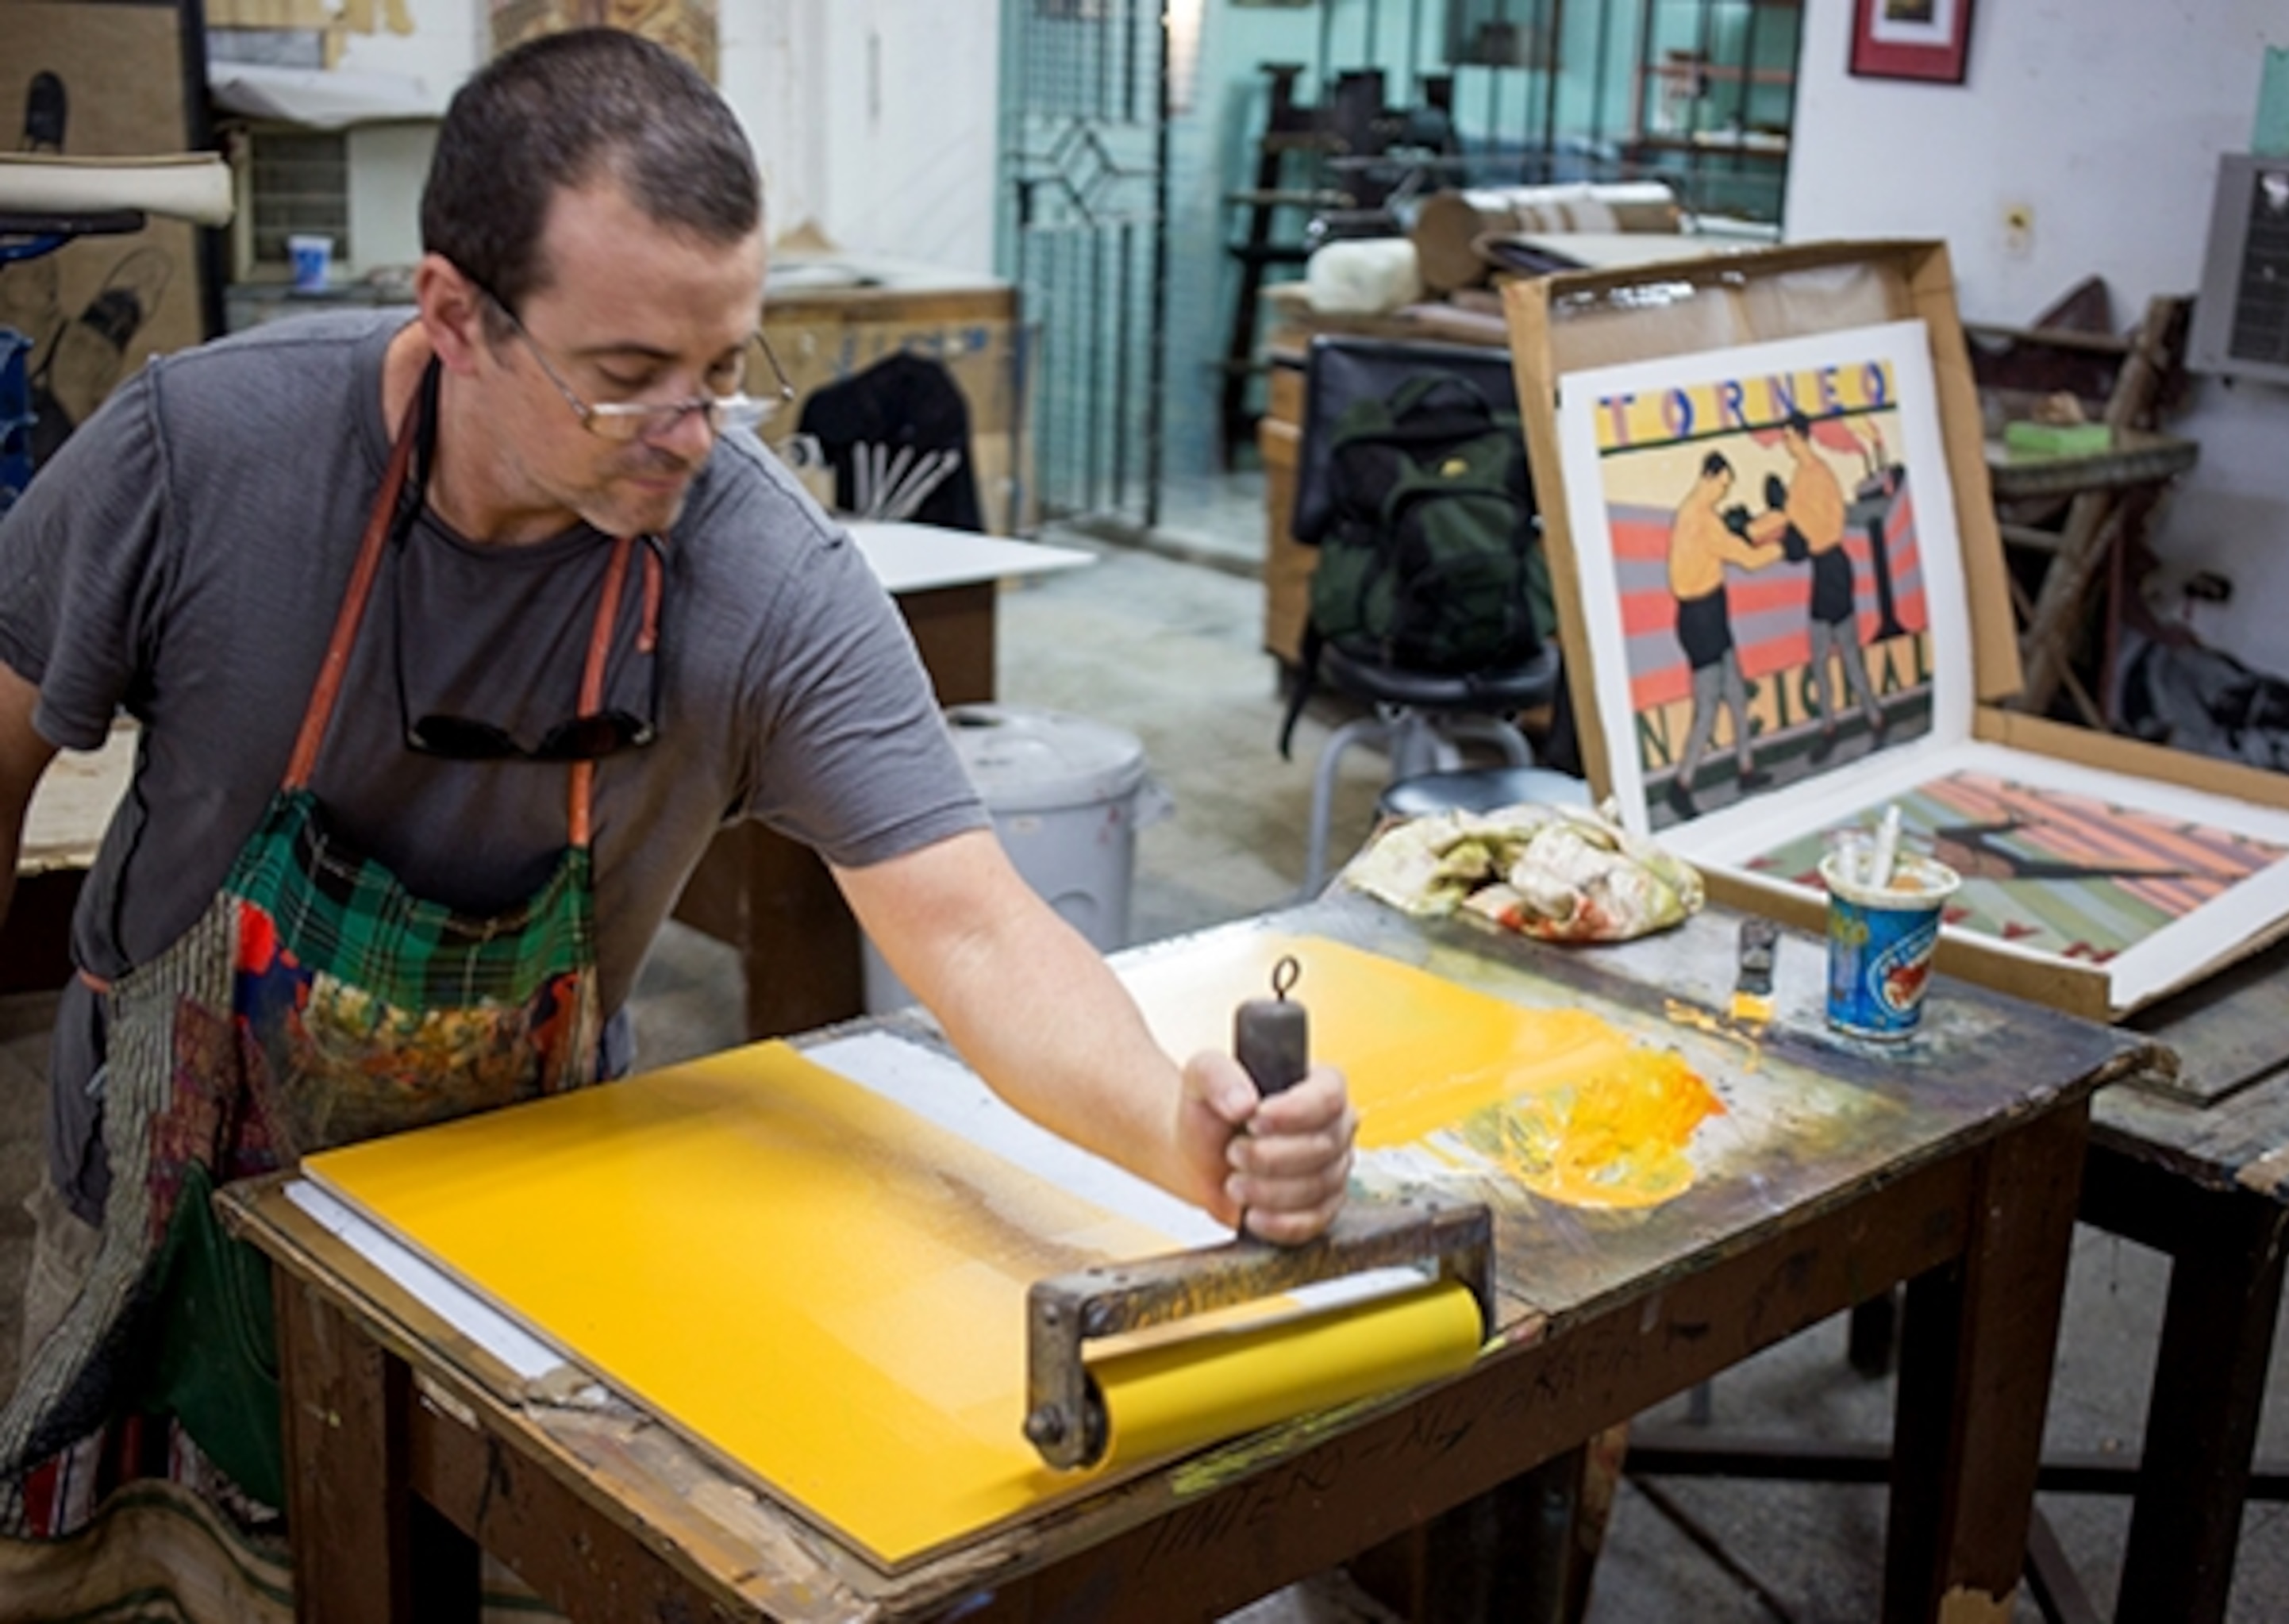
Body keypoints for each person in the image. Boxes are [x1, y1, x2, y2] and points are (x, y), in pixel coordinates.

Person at [0, 28, 1353, 1607]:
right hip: (161, 1209)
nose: (691, 434)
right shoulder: (202, 454)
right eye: (629, 378)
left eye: (726, 370)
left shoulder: (757, 575)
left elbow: (975, 925)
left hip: (521, 1248)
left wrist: (1177, 1129)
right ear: (456, 315)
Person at [1664, 451, 1783, 814]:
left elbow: (1737, 538)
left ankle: (1746, 768)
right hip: (1702, 621)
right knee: (1707, 708)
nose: (1725, 492)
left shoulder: (1699, 514)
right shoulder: (1699, 520)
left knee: (1735, 693)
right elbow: (1746, 557)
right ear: (1709, 477)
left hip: (1711, 614)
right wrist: (1783, 547)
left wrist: (1761, 528)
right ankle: (1681, 784)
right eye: (1724, 485)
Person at [1773, 409, 1886, 760]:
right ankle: (1830, 726)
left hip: (1833, 566)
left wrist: (1792, 517)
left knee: (1847, 655)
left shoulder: (1818, 476)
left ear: (1801, 435)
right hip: (1822, 568)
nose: (1785, 443)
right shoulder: (1800, 476)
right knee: (1820, 658)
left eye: (1788, 436)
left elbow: (1824, 525)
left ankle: (1874, 719)